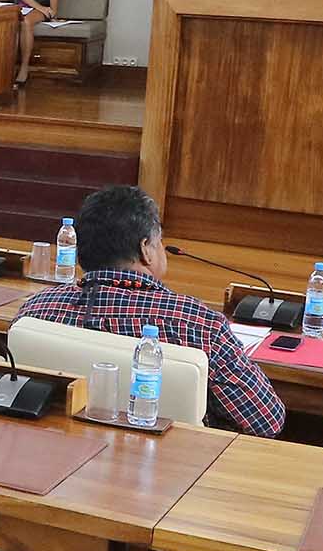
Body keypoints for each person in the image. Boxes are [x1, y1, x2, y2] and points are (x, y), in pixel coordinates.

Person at [15, 185, 286, 436]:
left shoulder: (36, 310)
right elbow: (266, 420)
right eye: (160, 241)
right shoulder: (198, 324)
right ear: (146, 250)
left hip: (61, 457)